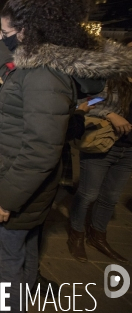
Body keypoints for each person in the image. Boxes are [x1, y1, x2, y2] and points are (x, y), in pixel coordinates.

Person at [0, 0, 132, 311]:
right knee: (26, 252)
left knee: (6, 267)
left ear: (25, 33)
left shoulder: (44, 76)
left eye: (7, 33)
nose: (5, 38)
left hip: (15, 191)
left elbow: (40, 150)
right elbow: (12, 73)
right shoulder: (42, 66)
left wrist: (5, 200)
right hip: (28, 194)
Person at [68, 74, 132, 263]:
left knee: (111, 197)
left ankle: (98, 237)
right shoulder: (108, 79)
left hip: (128, 150)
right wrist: (110, 115)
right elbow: (85, 102)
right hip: (102, 142)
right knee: (88, 194)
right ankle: (76, 235)